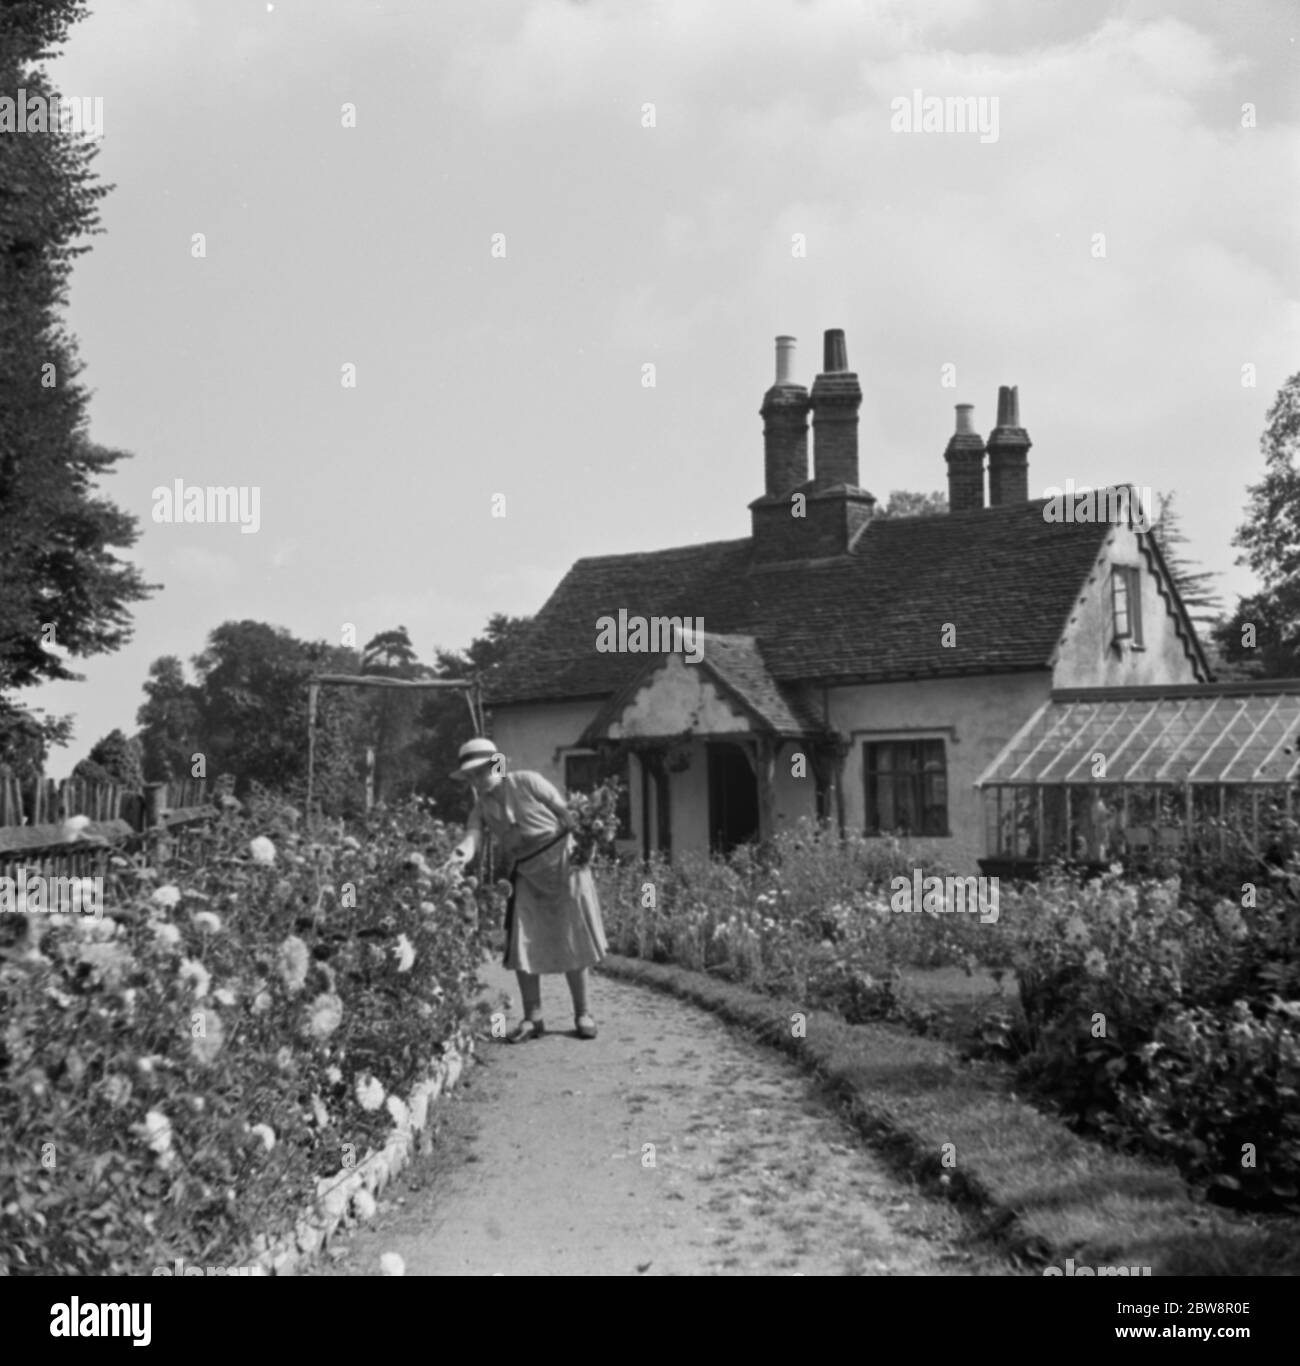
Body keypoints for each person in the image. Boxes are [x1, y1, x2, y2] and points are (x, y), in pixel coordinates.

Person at [443, 738, 607, 1042]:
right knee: (524, 943)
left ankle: (583, 1013)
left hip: (563, 864)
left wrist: (586, 846)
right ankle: (534, 1018)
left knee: (573, 937)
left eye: (481, 771)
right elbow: (472, 836)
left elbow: (567, 815)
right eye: (471, 776)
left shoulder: (528, 782)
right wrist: (459, 856)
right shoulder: (481, 808)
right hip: (526, 873)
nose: (477, 780)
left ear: (497, 764)